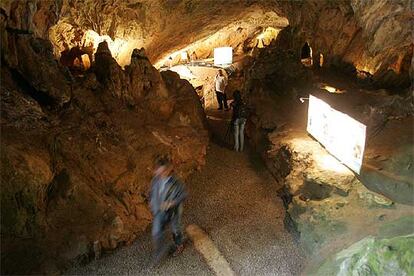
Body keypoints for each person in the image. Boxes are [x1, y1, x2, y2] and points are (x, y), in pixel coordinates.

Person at [150, 155, 187, 264]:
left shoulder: (176, 182)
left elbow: (184, 194)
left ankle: (179, 245)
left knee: (176, 229)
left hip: (174, 212)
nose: (159, 174)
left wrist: (172, 203)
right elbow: (152, 193)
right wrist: (153, 203)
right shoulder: (155, 180)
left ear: (167, 170)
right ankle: (159, 252)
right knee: (156, 232)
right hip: (159, 211)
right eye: (158, 171)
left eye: (162, 172)